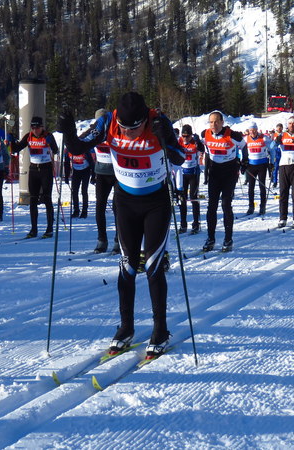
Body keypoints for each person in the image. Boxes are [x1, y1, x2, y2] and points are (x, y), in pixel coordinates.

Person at [58, 92, 185, 359]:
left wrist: (166, 138)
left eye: (133, 129)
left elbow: (179, 158)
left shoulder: (158, 121)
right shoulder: (107, 122)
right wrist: (68, 130)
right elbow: (78, 148)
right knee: (127, 265)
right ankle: (126, 327)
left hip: (156, 203)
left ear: (144, 120)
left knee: (153, 265)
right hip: (125, 202)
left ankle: (160, 330)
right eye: (124, 128)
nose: (127, 133)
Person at [199, 111, 244, 252]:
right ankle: (210, 238)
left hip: (229, 173)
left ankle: (228, 239)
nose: (214, 125)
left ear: (222, 122)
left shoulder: (232, 135)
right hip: (214, 173)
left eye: (216, 122)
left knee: (226, 205)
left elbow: (244, 146)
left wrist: (244, 162)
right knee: (211, 206)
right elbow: (205, 149)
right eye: (211, 122)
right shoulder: (205, 134)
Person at [80, 109, 120, 253]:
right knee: (100, 206)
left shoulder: (116, 131)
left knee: (118, 207)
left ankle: (118, 240)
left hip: (117, 173)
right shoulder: (94, 132)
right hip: (101, 173)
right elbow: (81, 141)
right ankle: (102, 240)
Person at [10, 117, 58, 238]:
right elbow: (16, 149)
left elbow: (56, 150)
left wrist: (51, 143)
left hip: (46, 170)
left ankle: (49, 228)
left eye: (37, 127)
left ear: (42, 127)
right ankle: (34, 229)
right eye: (33, 127)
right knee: (33, 200)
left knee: (47, 198)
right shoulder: (28, 136)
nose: (35, 130)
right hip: (33, 170)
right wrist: (11, 141)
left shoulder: (48, 135)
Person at [177, 124, 205, 231]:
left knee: (193, 198)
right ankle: (183, 224)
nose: (185, 138)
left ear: (191, 135)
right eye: (183, 136)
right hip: (182, 174)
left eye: (187, 136)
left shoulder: (195, 142)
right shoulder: (179, 141)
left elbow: (202, 149)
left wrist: (199, 142)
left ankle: (196, 223)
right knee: (182, 199)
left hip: (193, 174)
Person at [241, 122, 271, 216]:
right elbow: (241, 151)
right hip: (251, 165)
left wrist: (272, 162)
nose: (253, 132)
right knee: (251, 187)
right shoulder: (246, 139)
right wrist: (242, 163)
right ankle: (251, 207)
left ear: (257, 130)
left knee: (262, 186)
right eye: (251, 130)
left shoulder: (264, 138)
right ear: (249, 131)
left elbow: (272, 149)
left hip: (262, 164)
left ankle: (262, 206)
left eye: (254, 130)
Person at [64, 143, 94, 219]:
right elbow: (67, 164)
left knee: (84, 191)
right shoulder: (68, 151)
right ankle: (76, 211)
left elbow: (91, 162)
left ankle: (84, 211)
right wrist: (66, 176)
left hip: (85, 171)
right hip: (76, 171)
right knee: (74, 191)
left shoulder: (84, 150)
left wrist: (93, 175)